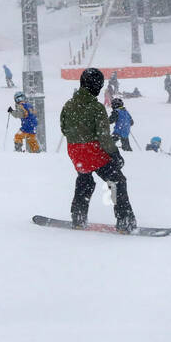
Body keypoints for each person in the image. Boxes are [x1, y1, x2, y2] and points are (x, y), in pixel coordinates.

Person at [59, 68, 136, 232]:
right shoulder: (96, 108)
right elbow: (104, 136)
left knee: (85, 180)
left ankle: (78, 216)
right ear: (96, 87)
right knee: (117, 181)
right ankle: (125, 219)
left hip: (75, 153)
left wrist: (78, 138)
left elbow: (64, 129)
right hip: (93, 152)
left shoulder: (68, 105)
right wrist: (115, 155)